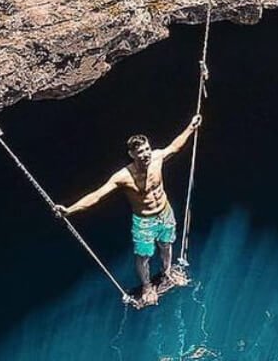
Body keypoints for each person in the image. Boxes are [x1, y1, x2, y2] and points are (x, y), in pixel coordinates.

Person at [56, 114, 201, 307]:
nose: (146, 154)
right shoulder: (123, 176)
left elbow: (175, 146)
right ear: (132, 154)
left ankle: (167, 272)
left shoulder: (157, 158)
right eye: (140, 152)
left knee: (166, 245)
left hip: (165, 211)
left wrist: (191, 127)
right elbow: (97, 195)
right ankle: (147, 287)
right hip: (145, 220)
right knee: (144, 256)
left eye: (147, 149)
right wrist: (70, 210)